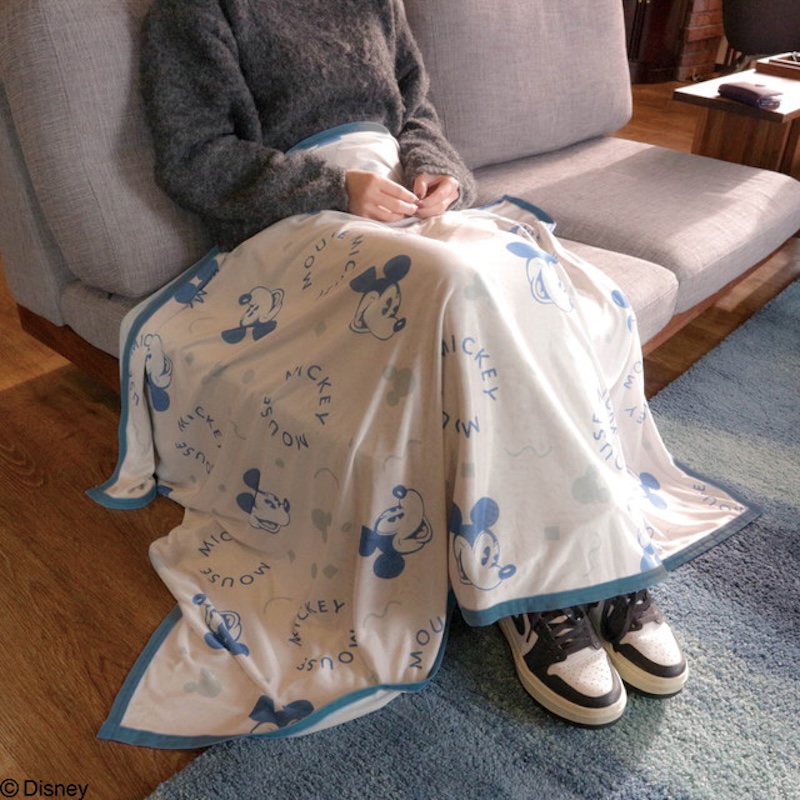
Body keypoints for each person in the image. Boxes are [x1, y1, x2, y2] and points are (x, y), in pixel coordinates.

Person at [113, 0, 753, 738]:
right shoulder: (195, 9)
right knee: (460, 284)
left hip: (407, 208)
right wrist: (336, 188)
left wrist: (437, 173)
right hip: (291, 227)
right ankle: (535, 587)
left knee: (547, 279)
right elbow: (195, 156)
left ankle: (600, 562)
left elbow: (417, 114)